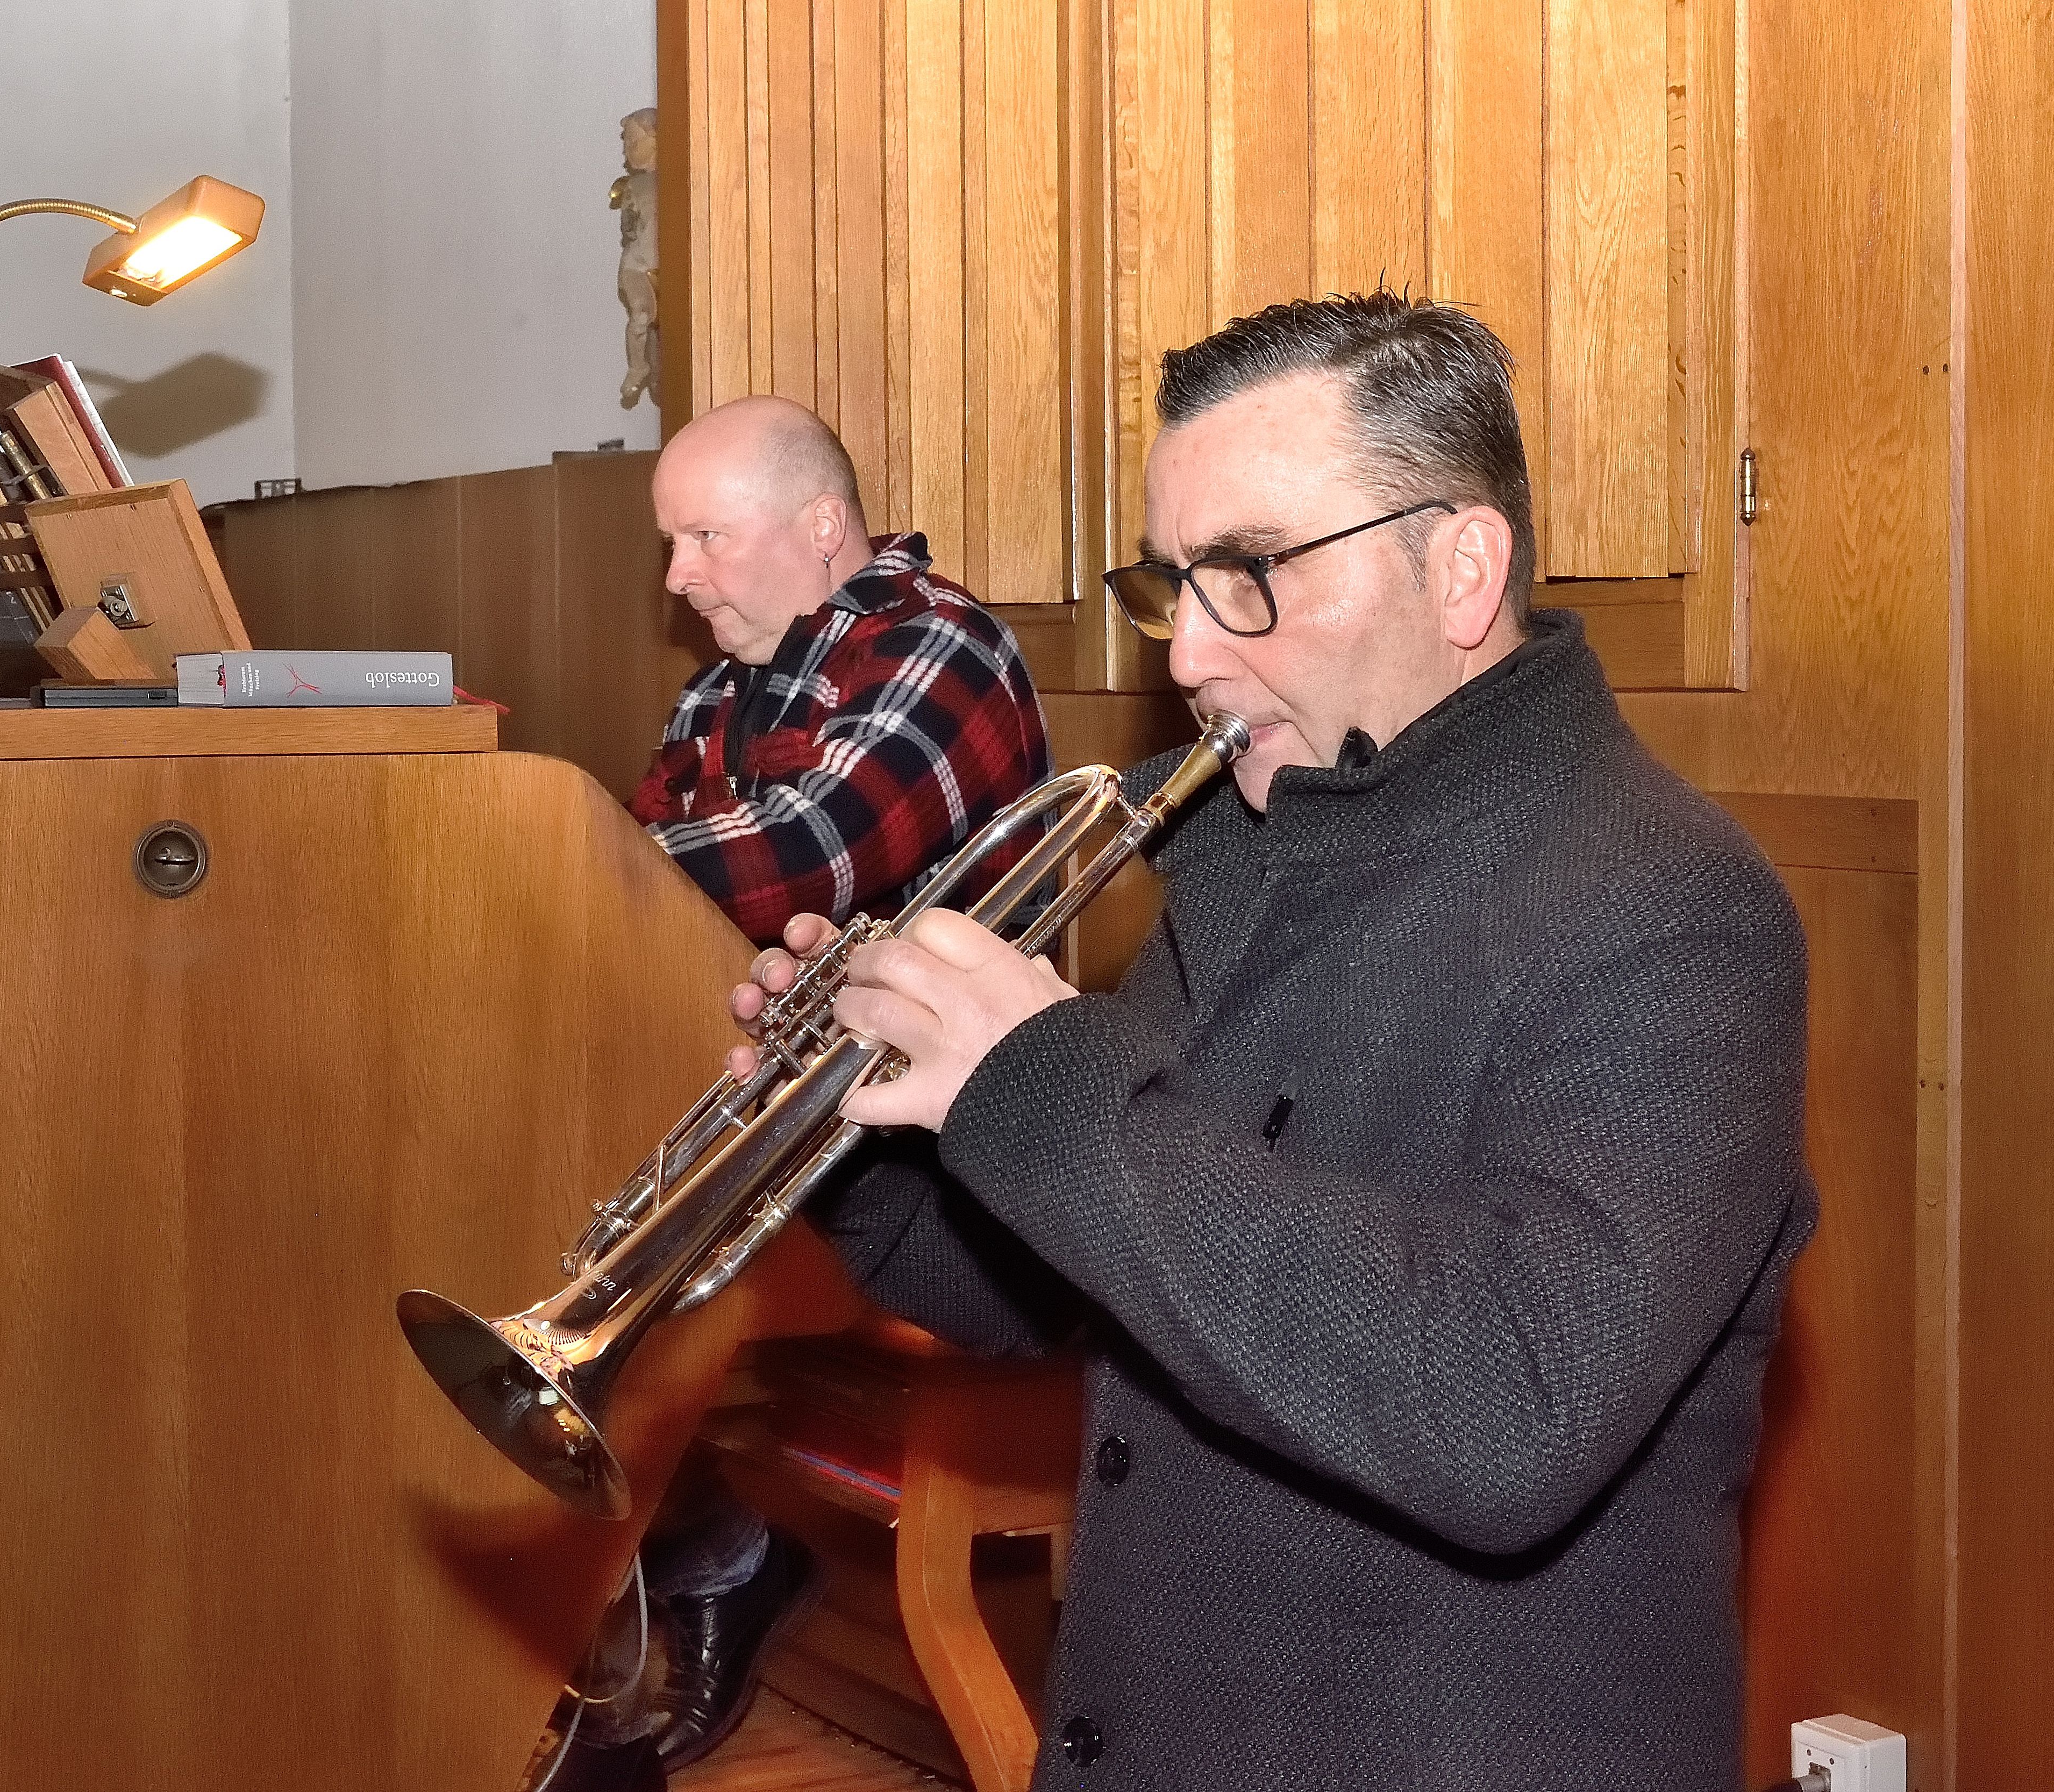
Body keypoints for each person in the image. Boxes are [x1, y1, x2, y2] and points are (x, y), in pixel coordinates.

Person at [734, 294, 1817, 1789]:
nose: (1187, 652)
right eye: (1173, 582)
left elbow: (1504, 1405)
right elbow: (1074, 1283)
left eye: (1247, 575)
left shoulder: (1673, 910)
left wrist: (1039, 1081)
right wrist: (849, 1136)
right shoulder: (1252, 855)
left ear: (1460, 567)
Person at [527, 392, 1053, 1792]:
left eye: (704, 537)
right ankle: (621, 1592)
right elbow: (661, 914)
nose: (677, 578)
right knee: (496, 1152)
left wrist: (542, 873)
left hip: (931, 1156)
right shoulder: (726, 682)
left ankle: (679, 1574)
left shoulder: (938, 640)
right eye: (670, 543)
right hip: (785, 1100)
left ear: (824, 528)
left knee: (553, 1200)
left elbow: (797, 855)